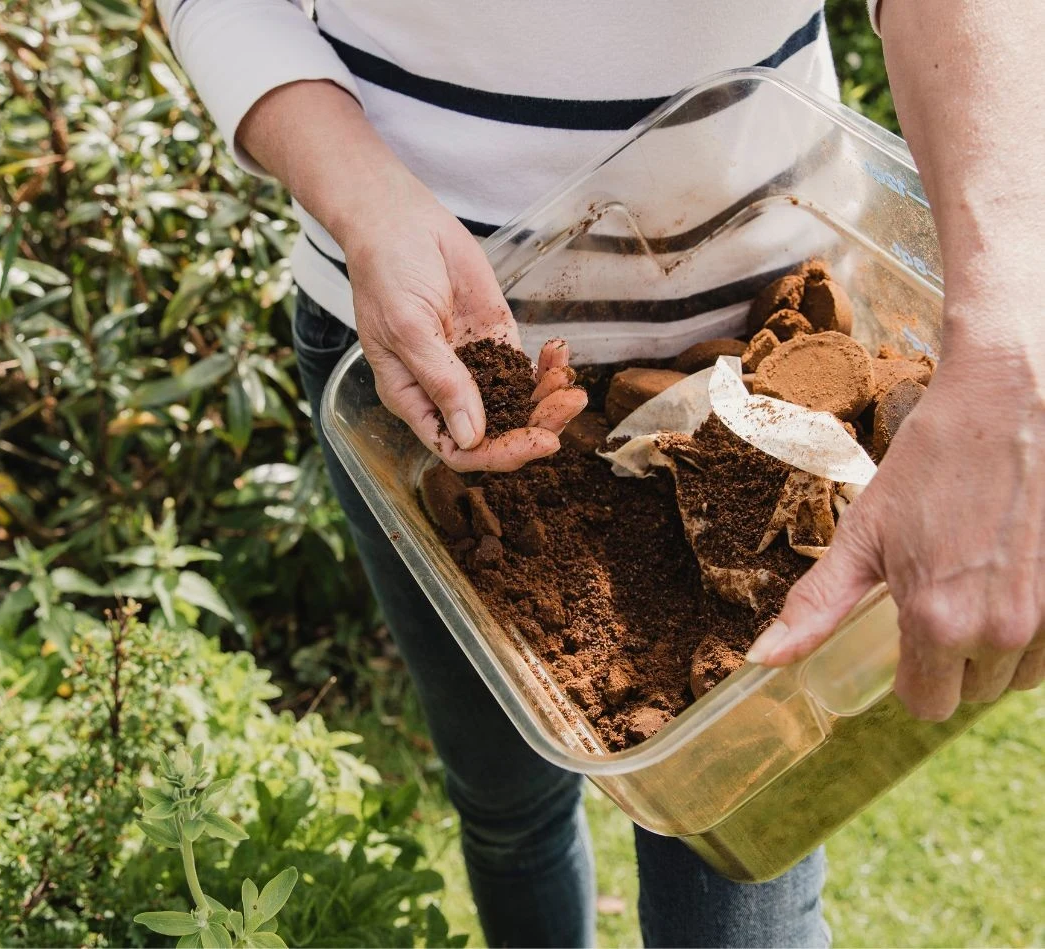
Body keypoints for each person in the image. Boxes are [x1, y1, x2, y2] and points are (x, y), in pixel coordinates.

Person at [157, 1, 1045, 945]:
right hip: (425, 370)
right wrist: (365, 199)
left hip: (767, 356)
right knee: (507, 806)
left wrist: (1008, 359)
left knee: (738, 896)